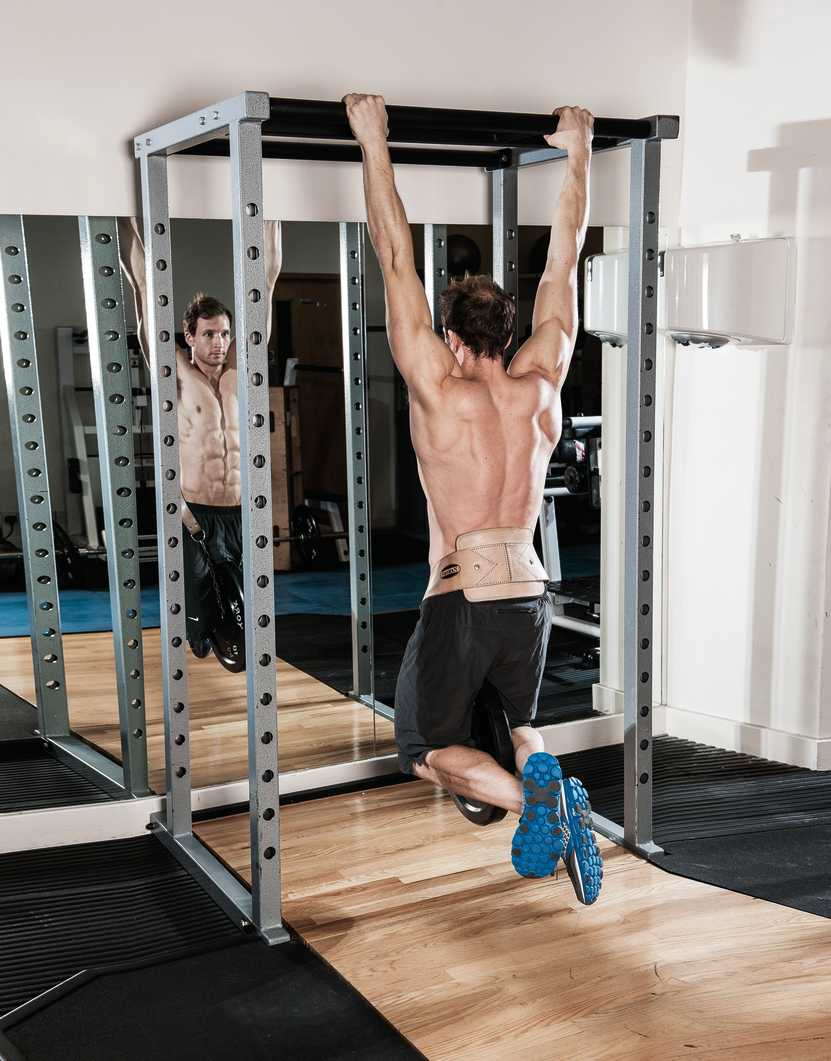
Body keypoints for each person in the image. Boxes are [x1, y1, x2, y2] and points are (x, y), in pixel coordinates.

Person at [343, 93, 602, 905]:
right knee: (516, 723)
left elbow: (393, 255)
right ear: (511, 327)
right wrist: (578, 150)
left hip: (461, 594)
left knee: (426, 747)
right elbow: (564, 258)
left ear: (452, 336)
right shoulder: (542, 381)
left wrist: (373, 140)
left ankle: (546, 804)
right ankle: (541, 775)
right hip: (529, 591)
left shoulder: (437, 388)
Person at [118, 218, 283, 660]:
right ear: (189, 336)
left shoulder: (242, 375)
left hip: (241, 510)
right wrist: (126, 215)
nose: (219, 342)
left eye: (225, 333)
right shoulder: (175, 375)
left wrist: (273, 215)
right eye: (209, 333)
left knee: (251, 616)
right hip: (195, 513)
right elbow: (142, 289)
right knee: (198, 632)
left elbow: (266, 280)